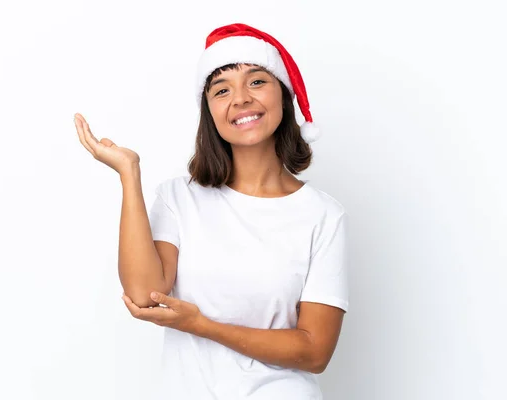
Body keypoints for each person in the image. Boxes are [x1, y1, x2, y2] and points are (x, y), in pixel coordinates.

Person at [74, 23, 349, 400]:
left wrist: (203, 325)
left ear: (283, 98)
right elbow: (144, 294)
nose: (240, 99)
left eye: (256, 82)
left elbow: (314, 351)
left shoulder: (322, 215)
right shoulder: (177, 198)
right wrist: (129, 174)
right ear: (210, 113)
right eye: (222, 89)